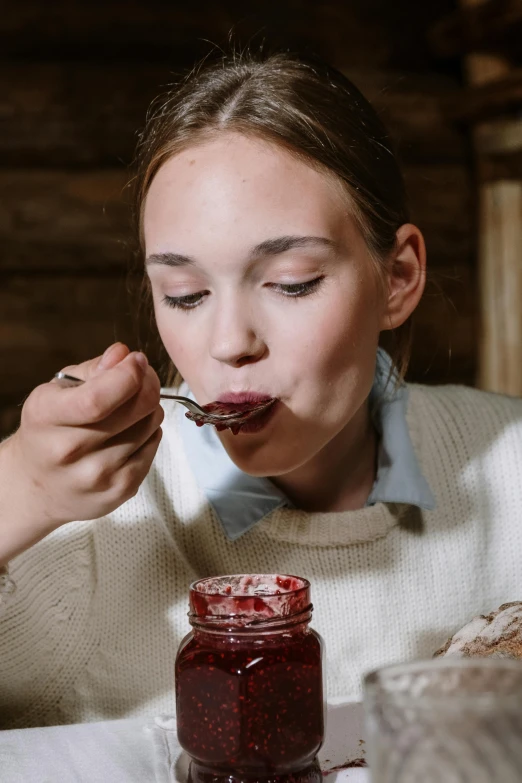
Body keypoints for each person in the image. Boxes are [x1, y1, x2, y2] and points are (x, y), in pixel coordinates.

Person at [1, 51, 522, 730]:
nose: (227, 343)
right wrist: (17, 487)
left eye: (291, 282)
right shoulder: (91, 532)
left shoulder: (508, 467)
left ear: (397, 277)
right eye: (184, 295)